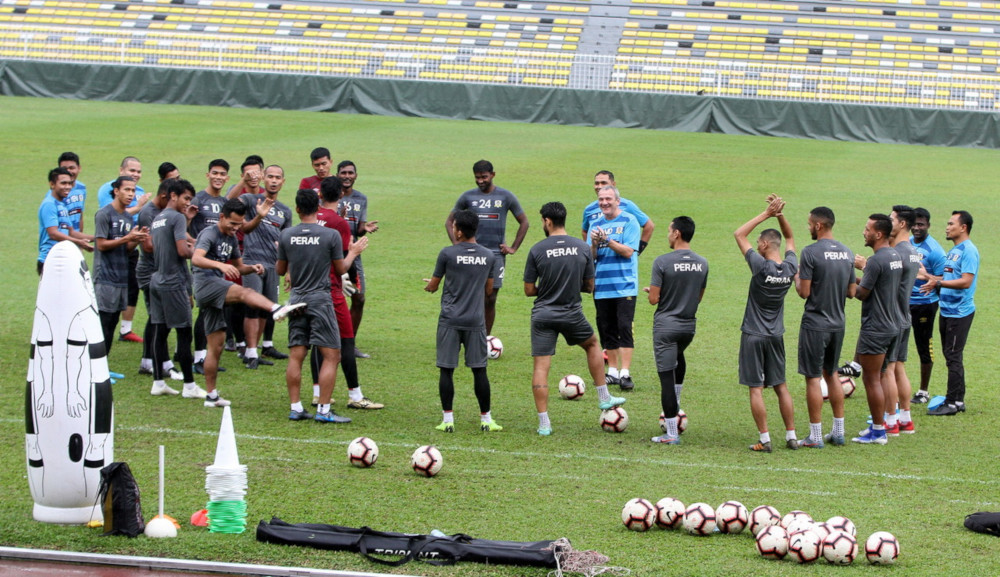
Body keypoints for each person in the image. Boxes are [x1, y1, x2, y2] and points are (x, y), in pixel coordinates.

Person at [524, 202, 626, 437]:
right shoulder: (581, 247)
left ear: (547, 221)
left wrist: (549, 289)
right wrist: (568, 287)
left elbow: (529, 290)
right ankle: (603, 397)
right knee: (592, 345)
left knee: (541, 367)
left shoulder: (537, 249)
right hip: (571, 313)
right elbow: (590, 286)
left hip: (543, 315)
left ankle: (544, 423)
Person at [191, 198, 305, 408]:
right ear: (222, 217)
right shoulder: (209, 233)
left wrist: (252, 268)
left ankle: (211, 395)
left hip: (216, 288)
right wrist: (220, 266)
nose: (236, 228)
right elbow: (196, 259)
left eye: (239, 224)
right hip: (206, 285)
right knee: (245, 293)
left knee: (215, 347)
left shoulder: (232, 238)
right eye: (232, 224)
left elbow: (239, 266)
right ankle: (277, 308)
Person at [277, 189, 365, 423]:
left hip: (296, 299)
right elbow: (341, 269)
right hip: (320, 299)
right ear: (318, 208)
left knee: (296, 355)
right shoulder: (330, 236)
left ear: (297, 209)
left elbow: (279, 270)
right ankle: (324, 411)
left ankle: (296, 408)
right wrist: (354, 252)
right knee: (331, 354)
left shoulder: (286, 235)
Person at [425, 209, 502, 433]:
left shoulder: (447, 254)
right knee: (479, 370)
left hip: (450, 319)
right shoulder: (489, 256)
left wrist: (430, 284)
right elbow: (489, 291)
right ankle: (486, 420)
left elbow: (434, 285)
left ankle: (448, 420)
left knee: (447, 370)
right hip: (475, 320)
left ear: (458, 231)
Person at [733, 195, 798, 452]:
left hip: (753, 333)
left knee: (756, 388)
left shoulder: (760, 266)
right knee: (781, 386)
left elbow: (739, 234)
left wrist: (767, 213)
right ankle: (791, 436)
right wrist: (780, 215)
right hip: (776, 335)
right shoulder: (791, 267)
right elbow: (791, 239)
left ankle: (765, 439)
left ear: (762, 244)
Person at [314, 176, 383, 409]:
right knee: (346, 340)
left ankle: (316, 392)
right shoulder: (339, 223)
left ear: (320, 194)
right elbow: (342, 259)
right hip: (331, 289)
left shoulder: (312, 217)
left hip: (311, 287)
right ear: (341, 195)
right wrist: (354, 274)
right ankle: (355, 396)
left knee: (318, 340)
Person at [445, 160, 529, 337]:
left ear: (493, 175)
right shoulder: (467, 197)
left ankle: (484, 338)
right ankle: (463, 334)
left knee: (490, 298)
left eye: (484, 177)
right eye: (477, 178)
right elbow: (449, 221)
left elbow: (524, 222)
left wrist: (513, 247)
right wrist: (457, 245)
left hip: (495, 255)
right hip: (470, 254)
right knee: (466, 295)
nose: (480, 181)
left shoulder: (505, 196)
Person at [794, 207, 855, 448]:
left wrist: (796, 278)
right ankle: (838, 432)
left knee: (812, 378)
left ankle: (815, 436)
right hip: (838, 323)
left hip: (815, 323)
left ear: (818, 225)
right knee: (832, 374)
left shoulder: (810, 252)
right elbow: (852, 292)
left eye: (809, 223)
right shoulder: (847, 252)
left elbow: (804, 292)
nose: (808, 227)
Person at [646, 216, 707, 444]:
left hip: (666, 327)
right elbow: (697, 296)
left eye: (669, 230)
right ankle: (677, 402)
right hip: (687, 328)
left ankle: (671, 433)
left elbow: (654, 300)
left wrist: (657, 293)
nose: (667, 234)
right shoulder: (703, 262)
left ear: (677, 233)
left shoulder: (662, 262)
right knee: (679, 358)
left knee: (666, 379)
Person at [851, 214, 904, 445]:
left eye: (867, 229)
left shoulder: (875, 261)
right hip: (893, 325)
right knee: (882, 376)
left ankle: (879, 431)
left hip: (876, 327)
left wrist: (842, 279)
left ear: (878, 234)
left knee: (872, 380)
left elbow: (862, 293)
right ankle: (880, 424)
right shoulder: (894, 255)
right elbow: (879, 285)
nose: (864, 232)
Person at [148, 179, 203, 399]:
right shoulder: (177, 217)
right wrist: (198, 253)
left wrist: (187, 222)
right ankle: (189, 386)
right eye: (185, 198)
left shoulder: (158, 218)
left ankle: (158, 382)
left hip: (157, 280)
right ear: (173, 195)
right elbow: (181, 250)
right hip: (174, 282)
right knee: (183, 333)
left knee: (160, 332)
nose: (187, 203)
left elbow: (167, 245)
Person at [919, 211, 978, 416]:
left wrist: (939, 282)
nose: (946, 227)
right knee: (950, 355)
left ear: (963, 228)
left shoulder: (969, 251)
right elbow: (945, 277)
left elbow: (966, 281)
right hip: (947, 310)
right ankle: (957, 400)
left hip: (959, 313)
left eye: (951, 223)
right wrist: (928, 277)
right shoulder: (955, 251)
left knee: (953, 356)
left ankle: (953, 402)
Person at [238, 165, 293, 369]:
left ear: (283, 182)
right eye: (270, 176)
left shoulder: (285, 211)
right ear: (263, 179)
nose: (274, 180)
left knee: (266, 309)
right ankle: (250, 353)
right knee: (252, 306)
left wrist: (288, 270)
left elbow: (286, 242)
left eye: (278, 177)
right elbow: (242, 225)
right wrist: (259, 215)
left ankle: (256, 350)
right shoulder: (251, 200)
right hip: (252, 260)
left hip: (273, 265)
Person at [588, 185, 641, 390]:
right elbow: (591, 257)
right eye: (601, 200)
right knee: (606, 329)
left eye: (608, 199)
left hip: (624, 286)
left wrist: (606, 241)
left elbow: (628, 251)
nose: (604, 203)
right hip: (602, 286)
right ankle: (612, 372)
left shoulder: (629, 221)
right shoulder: (595, 223)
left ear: (617, 201)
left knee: (624, 328)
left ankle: (625, 373)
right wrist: (593, 245)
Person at [93, 176, 149, 353]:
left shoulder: (126, 217)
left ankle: (104, 368)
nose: (131, 194)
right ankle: (95, 370)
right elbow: (101, 244)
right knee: (103, 324)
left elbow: (125, 249)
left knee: (113, 323)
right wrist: (127, 238)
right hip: (105, 278)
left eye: (133, 190)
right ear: (116, 191)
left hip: (121, 278)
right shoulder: (104, 214)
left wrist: (137, 240)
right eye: (127, 190)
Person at [189, 159, 232, 375]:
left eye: (222, 174)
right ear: (207, 175)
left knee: (212, 309)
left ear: (227, 178)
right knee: (203, 309)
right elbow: (184, 224)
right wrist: (196, 245)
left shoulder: (224, 202)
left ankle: (203, 355)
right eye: (214, 173)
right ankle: (198, 357)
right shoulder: (198, 199)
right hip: (202, 262)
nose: (218, 177)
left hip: (219, 263)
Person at [337, 160, 379, 358]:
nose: (347, 176)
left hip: (354, 255)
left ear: (355, 175)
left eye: (350, 173)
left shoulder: (361, 198)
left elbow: (359, 226)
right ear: (338, 175)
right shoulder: (330, 195)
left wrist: (365, 228)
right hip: (333, 254)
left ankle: (349, 343)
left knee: (359, 298)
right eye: (343, 172)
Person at [885, 205, 921, 435]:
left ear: (902, 224)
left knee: (886, 370)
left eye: (891, 219)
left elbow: (884, 285)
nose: (888, 223)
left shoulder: (897, 253)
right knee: (899, 367)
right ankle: (905, 418)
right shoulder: (912, 251)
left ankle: (889, 421)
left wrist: (863, 268)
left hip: (890, 317)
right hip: (904, 315)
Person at [908, 208, 947, 403]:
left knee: (924, 345)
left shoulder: (935, 251)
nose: (916, 228)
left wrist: (926, 277)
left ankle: (923, 391)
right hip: (903, 303)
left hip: (925, 305)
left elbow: (945, 279)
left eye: (921, 224)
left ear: (928, 226)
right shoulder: (906, 244)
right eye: (914, 224)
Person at [582, 170, 655, 255]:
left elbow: (649, 225)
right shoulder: (589, 209)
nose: (599, 186)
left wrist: (638, 250)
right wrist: (592, 247)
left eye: (603, 183)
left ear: (613, 185)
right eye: (597, 183)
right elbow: (585, 231)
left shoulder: (626, 205)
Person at [38, 167, 94, 274]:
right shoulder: (49, 204)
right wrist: (78, 242)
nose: (67, 187)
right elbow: (53, 234)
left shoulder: (62, 205)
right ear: (52, 184)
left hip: (62, 258)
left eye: (69, 183)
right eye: (63, 183)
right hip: (49, 259)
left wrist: (97, 238)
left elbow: (71, 232)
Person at [57, 152, 87, 233]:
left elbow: (80, 215)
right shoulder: (56, 193)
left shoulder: (82, 188)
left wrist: (80, 240)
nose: (68, 172)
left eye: (72, 168)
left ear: (79, 168)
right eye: (64, 168)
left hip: (76, 239)